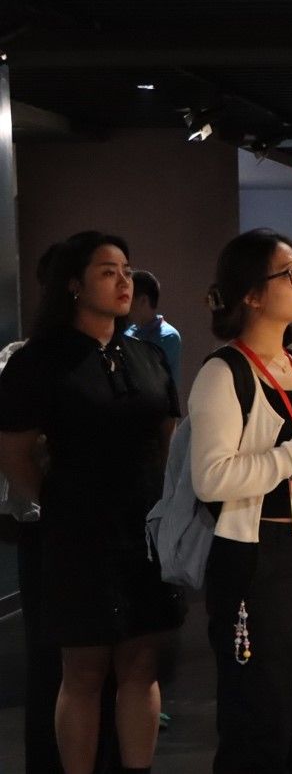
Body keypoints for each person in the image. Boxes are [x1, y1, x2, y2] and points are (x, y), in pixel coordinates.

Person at [0, 231, 186, 774]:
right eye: (108, 271)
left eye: (126, 270)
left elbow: (169, 439)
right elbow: (14, 452)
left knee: (141, 665)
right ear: (74, 285)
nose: (124, 280)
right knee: (82, 670)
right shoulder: (40, 361)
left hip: (144, 530)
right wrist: (58, 500)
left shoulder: (145, 355)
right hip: (78, 534)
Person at [188, 228, 292, 773]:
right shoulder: (223, 372)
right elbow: (211, 478)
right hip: (255, 556)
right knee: (260, 716)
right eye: (290, 274)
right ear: (252, 294)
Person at [125, 270, 182, 386]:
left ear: (143, 300)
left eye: (129, 298)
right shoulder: (128, 331)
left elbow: (147, 376)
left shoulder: (168, 336)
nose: (125, 304)